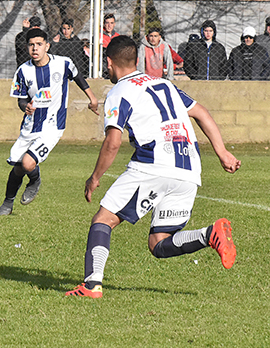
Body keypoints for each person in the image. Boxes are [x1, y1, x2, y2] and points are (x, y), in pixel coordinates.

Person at [65, 35, 240, 299]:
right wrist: (223, 152)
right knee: (158, 244)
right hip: (189, 168)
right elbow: (201, 112)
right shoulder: (164, 84)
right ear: (136, 60)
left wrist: (95, 177)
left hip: (152, 164)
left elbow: (113, 142)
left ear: (109, 63)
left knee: (103, 220)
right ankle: (210, 234)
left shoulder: (119, 91)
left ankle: (91, 286)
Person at [0, 28, 99, 216]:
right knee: (18, 168)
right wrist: (25, 107)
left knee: (27, 163)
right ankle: (7, 204)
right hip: (30, 126)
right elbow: (20, 99)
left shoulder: (63, 63)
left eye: (39, 44)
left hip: (53, 126)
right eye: (31, 45)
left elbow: (78, 77)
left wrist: (92, 98)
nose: (35, 49)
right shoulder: (23, 71)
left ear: (47, 46)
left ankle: (35, 180)